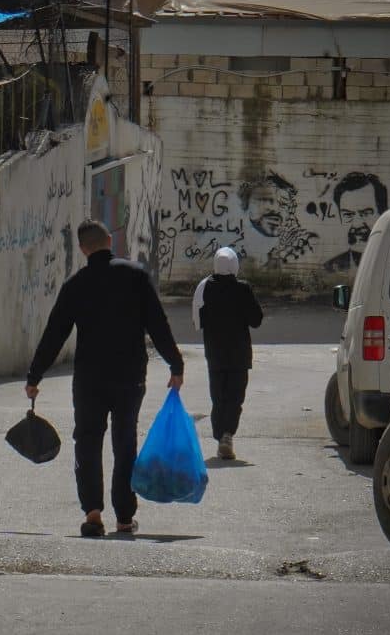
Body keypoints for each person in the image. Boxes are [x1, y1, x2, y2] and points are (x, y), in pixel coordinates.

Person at [25, 219, 184, 538]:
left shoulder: (76, 285)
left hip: (89, 380)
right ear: (110, 241)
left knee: (87, 441)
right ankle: (124, 517)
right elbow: (158, 324)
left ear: (82, 249)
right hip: (130, 377)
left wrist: (35, 376)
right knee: (125, 442)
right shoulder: (137, 277)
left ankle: (93, 514)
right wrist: (175, 365)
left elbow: (54, 333)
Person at [192, 247, 263, 460]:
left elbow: (197, 321)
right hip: (239, 355)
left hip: (214, 353)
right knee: (235, 397)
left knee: (218, 397)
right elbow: (256, 320)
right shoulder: (243, 289)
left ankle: (220, 435)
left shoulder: (204, 288)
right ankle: (227, 435)